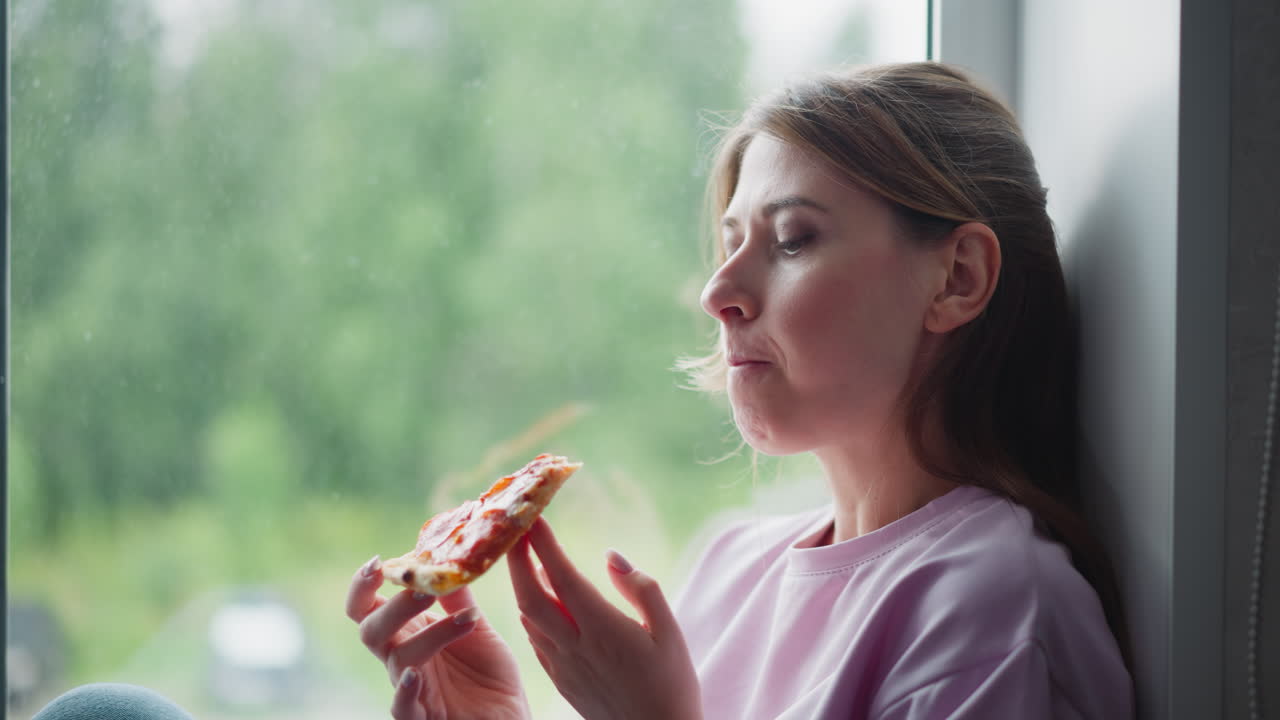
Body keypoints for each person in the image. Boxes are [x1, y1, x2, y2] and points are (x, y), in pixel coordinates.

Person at [345, 61, 1135, 719]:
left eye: (793, 239)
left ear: (957, 278)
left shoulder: (994, 608)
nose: (718, 291)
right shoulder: (729, 565)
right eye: (730, 243)